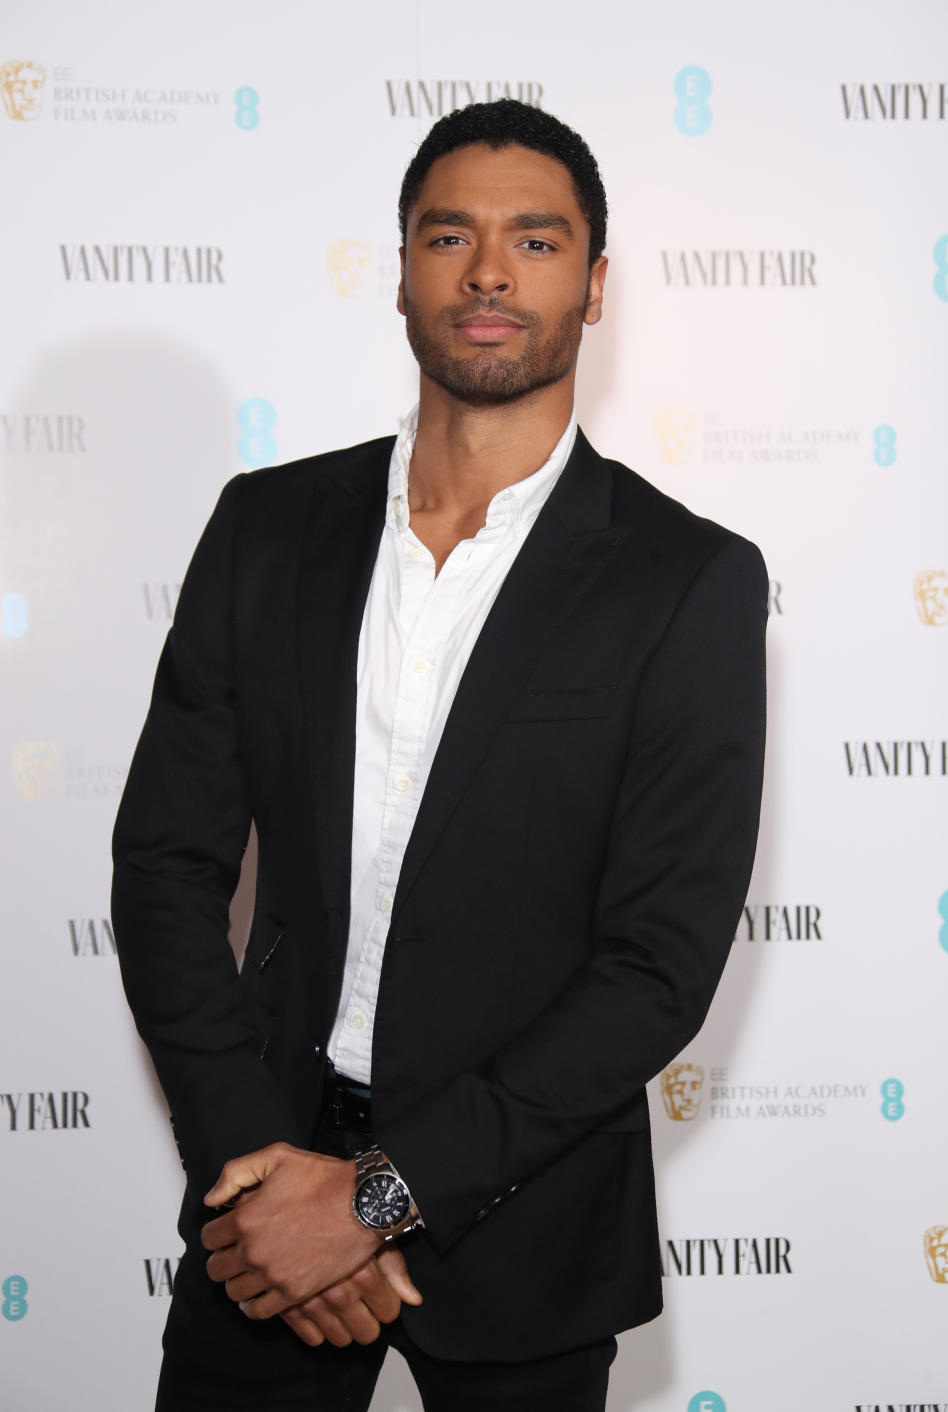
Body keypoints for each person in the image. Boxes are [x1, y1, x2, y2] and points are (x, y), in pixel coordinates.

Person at [112, 98, 767, 1412]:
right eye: (448, 235)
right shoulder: (267, 528)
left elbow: (657, 969)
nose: (486, 273)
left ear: (593, 284)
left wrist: (379, 1197)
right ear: (402, 267)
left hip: (522, 1223)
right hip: (263, 1195)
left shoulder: (684, 579)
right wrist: (260, 1176)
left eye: (534, 240)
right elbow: (163, 864)